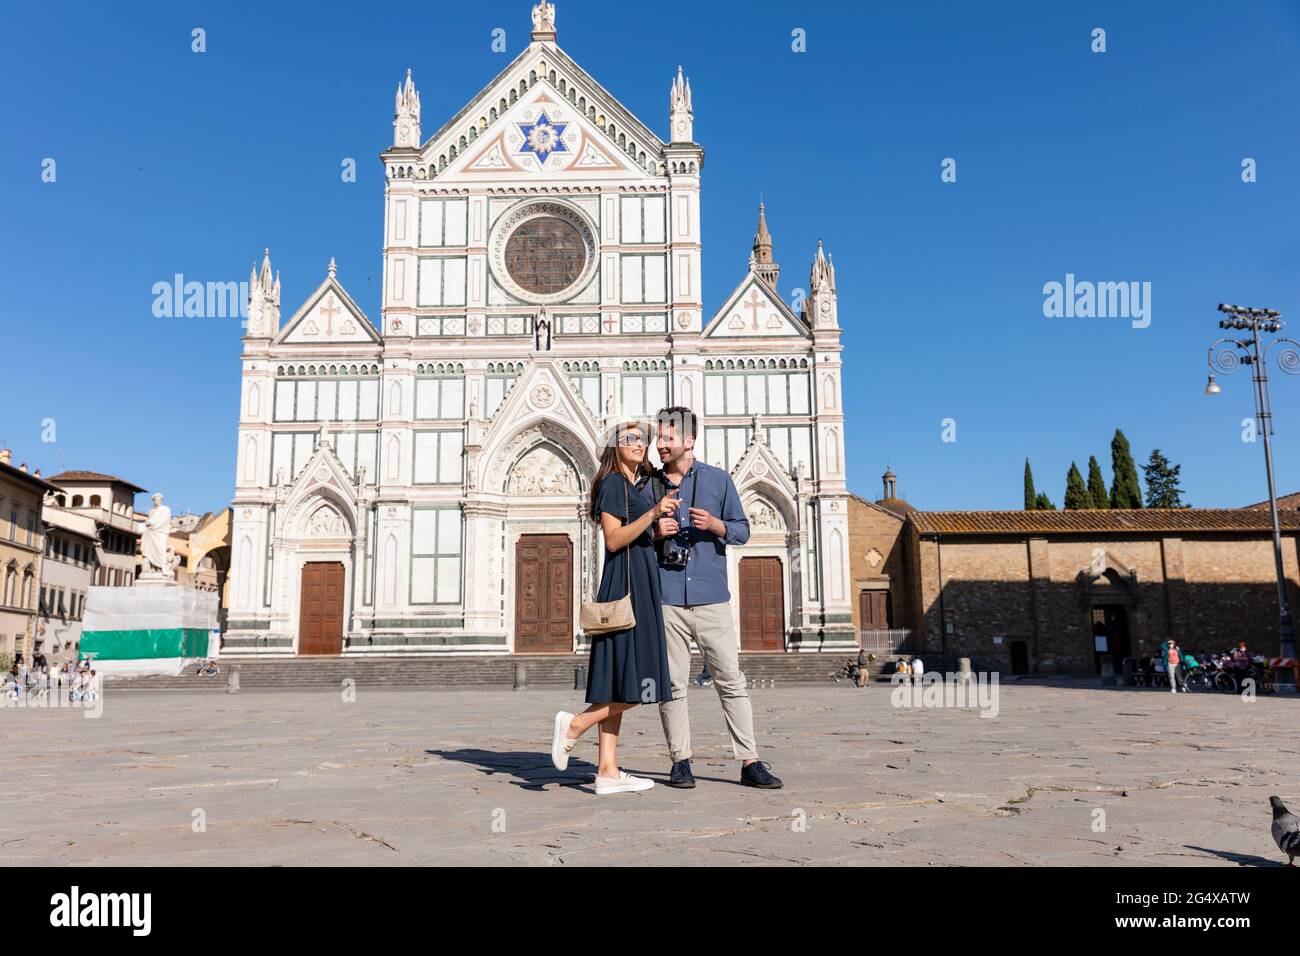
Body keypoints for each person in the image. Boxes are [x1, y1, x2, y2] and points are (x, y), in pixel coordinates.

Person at [648, 406, 783, 790]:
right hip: (667, 598)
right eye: (658, 438)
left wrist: (716, 525)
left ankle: (750, 761)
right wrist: (655, 532)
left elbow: (742, 531)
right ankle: (681, 762)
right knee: (672, 684)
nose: (659, 444)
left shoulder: (718, 481)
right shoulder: (649, 487)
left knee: (730, 680)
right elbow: (631, 537)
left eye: (666, 438)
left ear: (689, 441)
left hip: (711, 598)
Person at [549, 420, 677, 795]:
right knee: (639, 683)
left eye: (643, 440)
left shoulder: (631, 486)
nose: (640, 444)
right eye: (630, 439)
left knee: (620, 681)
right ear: (613, 446)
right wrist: (653, 515)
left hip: (640, 580)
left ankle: (607, 770)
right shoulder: (612, 485)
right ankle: (574, 725)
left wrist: (655, 532)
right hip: (627, 586)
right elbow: (614, 539)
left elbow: (632, 534)